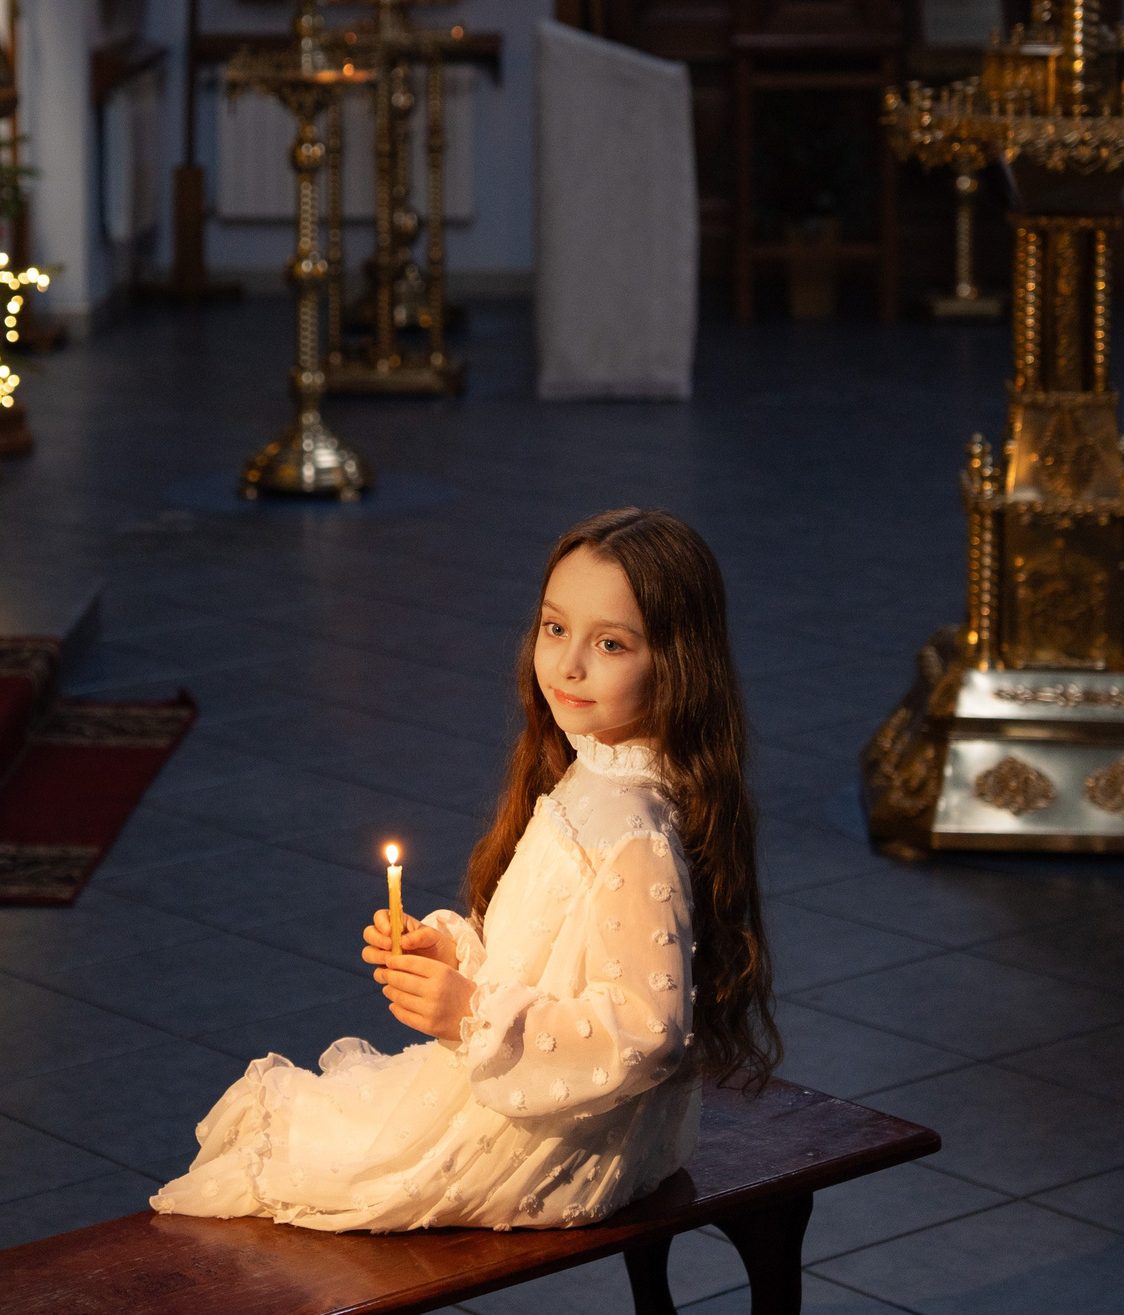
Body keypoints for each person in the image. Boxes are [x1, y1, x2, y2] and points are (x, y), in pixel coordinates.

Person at [151, 507, 778, 1231]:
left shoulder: (633, 829)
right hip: (544, 1093)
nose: (569, 664)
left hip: (574, 1142)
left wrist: (471, 1013)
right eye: (554, 627)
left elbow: (647, 1031)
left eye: (609, 642)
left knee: (291, 1149)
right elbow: (551, 960)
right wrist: (458, 957)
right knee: (292, 1137)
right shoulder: (593, 774)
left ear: (677, 661)